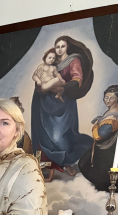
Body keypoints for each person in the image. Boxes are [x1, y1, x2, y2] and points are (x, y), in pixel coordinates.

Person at [30, 36, 94, 180]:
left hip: (63, 103)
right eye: (57, 46)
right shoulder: (52, 61)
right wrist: (40, 85)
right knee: (43, 134)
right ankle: (50, 165)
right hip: (44, 102)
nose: (59, 49)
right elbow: (38, 76)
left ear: (67, 47)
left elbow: (77, 80)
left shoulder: (73, 60)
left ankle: (66, 162)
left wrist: (62, 87)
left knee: (59, 136)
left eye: (62, 46)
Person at [79, 84, 118, 192]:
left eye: (111, 98)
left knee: (83, 164)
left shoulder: (112, 118)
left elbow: (98, 136)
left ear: (117, 98)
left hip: (108, 152)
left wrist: (96, 124)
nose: (107, 100)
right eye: (106, 97)